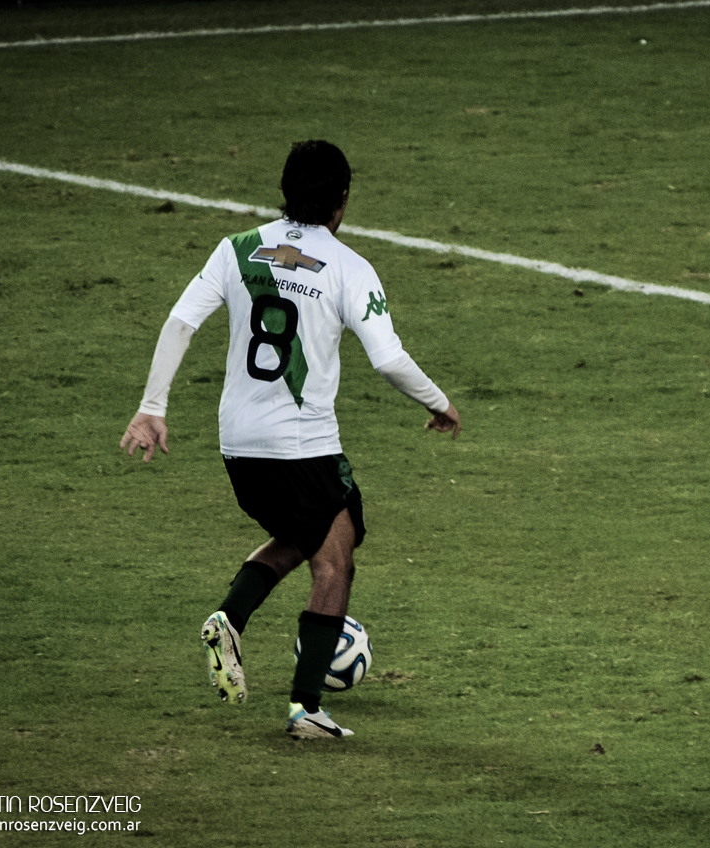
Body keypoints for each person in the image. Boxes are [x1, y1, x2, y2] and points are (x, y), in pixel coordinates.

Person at [120, 140, 460, 740]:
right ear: (343, 201)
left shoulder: (238, 249)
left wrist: (152, 408)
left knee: (307, 535)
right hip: (302, 447)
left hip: (238, 448)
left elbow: (181, 321)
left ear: (285, 189)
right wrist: (438, 401)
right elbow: (389, 358)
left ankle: (230, 617)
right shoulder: (350, 267)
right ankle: (306, 708)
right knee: (336, 557)